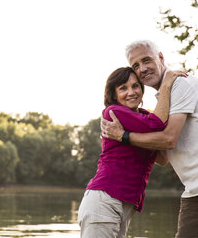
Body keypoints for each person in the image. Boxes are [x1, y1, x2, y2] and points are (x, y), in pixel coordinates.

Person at [101, 40, 198, 238]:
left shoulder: (181, 84)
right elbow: (164, 158)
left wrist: (124, 136)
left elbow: (168, 140)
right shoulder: (163, 100)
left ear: (161, 58)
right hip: (194, 186)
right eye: (136, 66)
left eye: (146, 60)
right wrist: (128, 128)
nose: (142, 69)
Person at [78, 66, 186, 238]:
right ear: (114, 95)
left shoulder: (144, 118)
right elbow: (157, 124)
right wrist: (166, 85)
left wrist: (157, 135)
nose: (131, 92)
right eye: (123, 88)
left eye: (135, 86)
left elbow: (163, 158)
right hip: (105, 200)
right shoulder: (114, 112)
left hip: (124, 205)